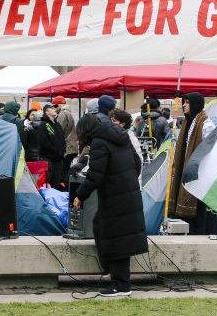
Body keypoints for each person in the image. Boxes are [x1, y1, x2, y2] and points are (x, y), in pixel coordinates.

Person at [72, 112, 147, 297]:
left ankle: (121, 286)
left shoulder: (99, 142)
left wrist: (80, 195)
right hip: (128, 192)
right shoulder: (122, 135)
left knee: (116, 239)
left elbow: (95, 175)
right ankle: (110, 273)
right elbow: (137, 162)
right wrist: (126, 179)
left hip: (115, 196)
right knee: (102, 227)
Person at [168, 92, 208, 233]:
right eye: (183, 102)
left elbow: (209, 147)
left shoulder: (205, 123)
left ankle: (197, 234)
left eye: (187, 102)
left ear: (195, 104)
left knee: (197, 206)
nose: (184, 105)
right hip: (186, 169)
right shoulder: (187, 121)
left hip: (198, 172)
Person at [52, 96, 78, 167]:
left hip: (67, 148)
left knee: (63, 172)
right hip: (71, 147)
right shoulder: (68, 113)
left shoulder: (62, 114)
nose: (54, 108)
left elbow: (59, 131)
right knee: (66, 170)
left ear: (59, 104)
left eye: (55, 106)